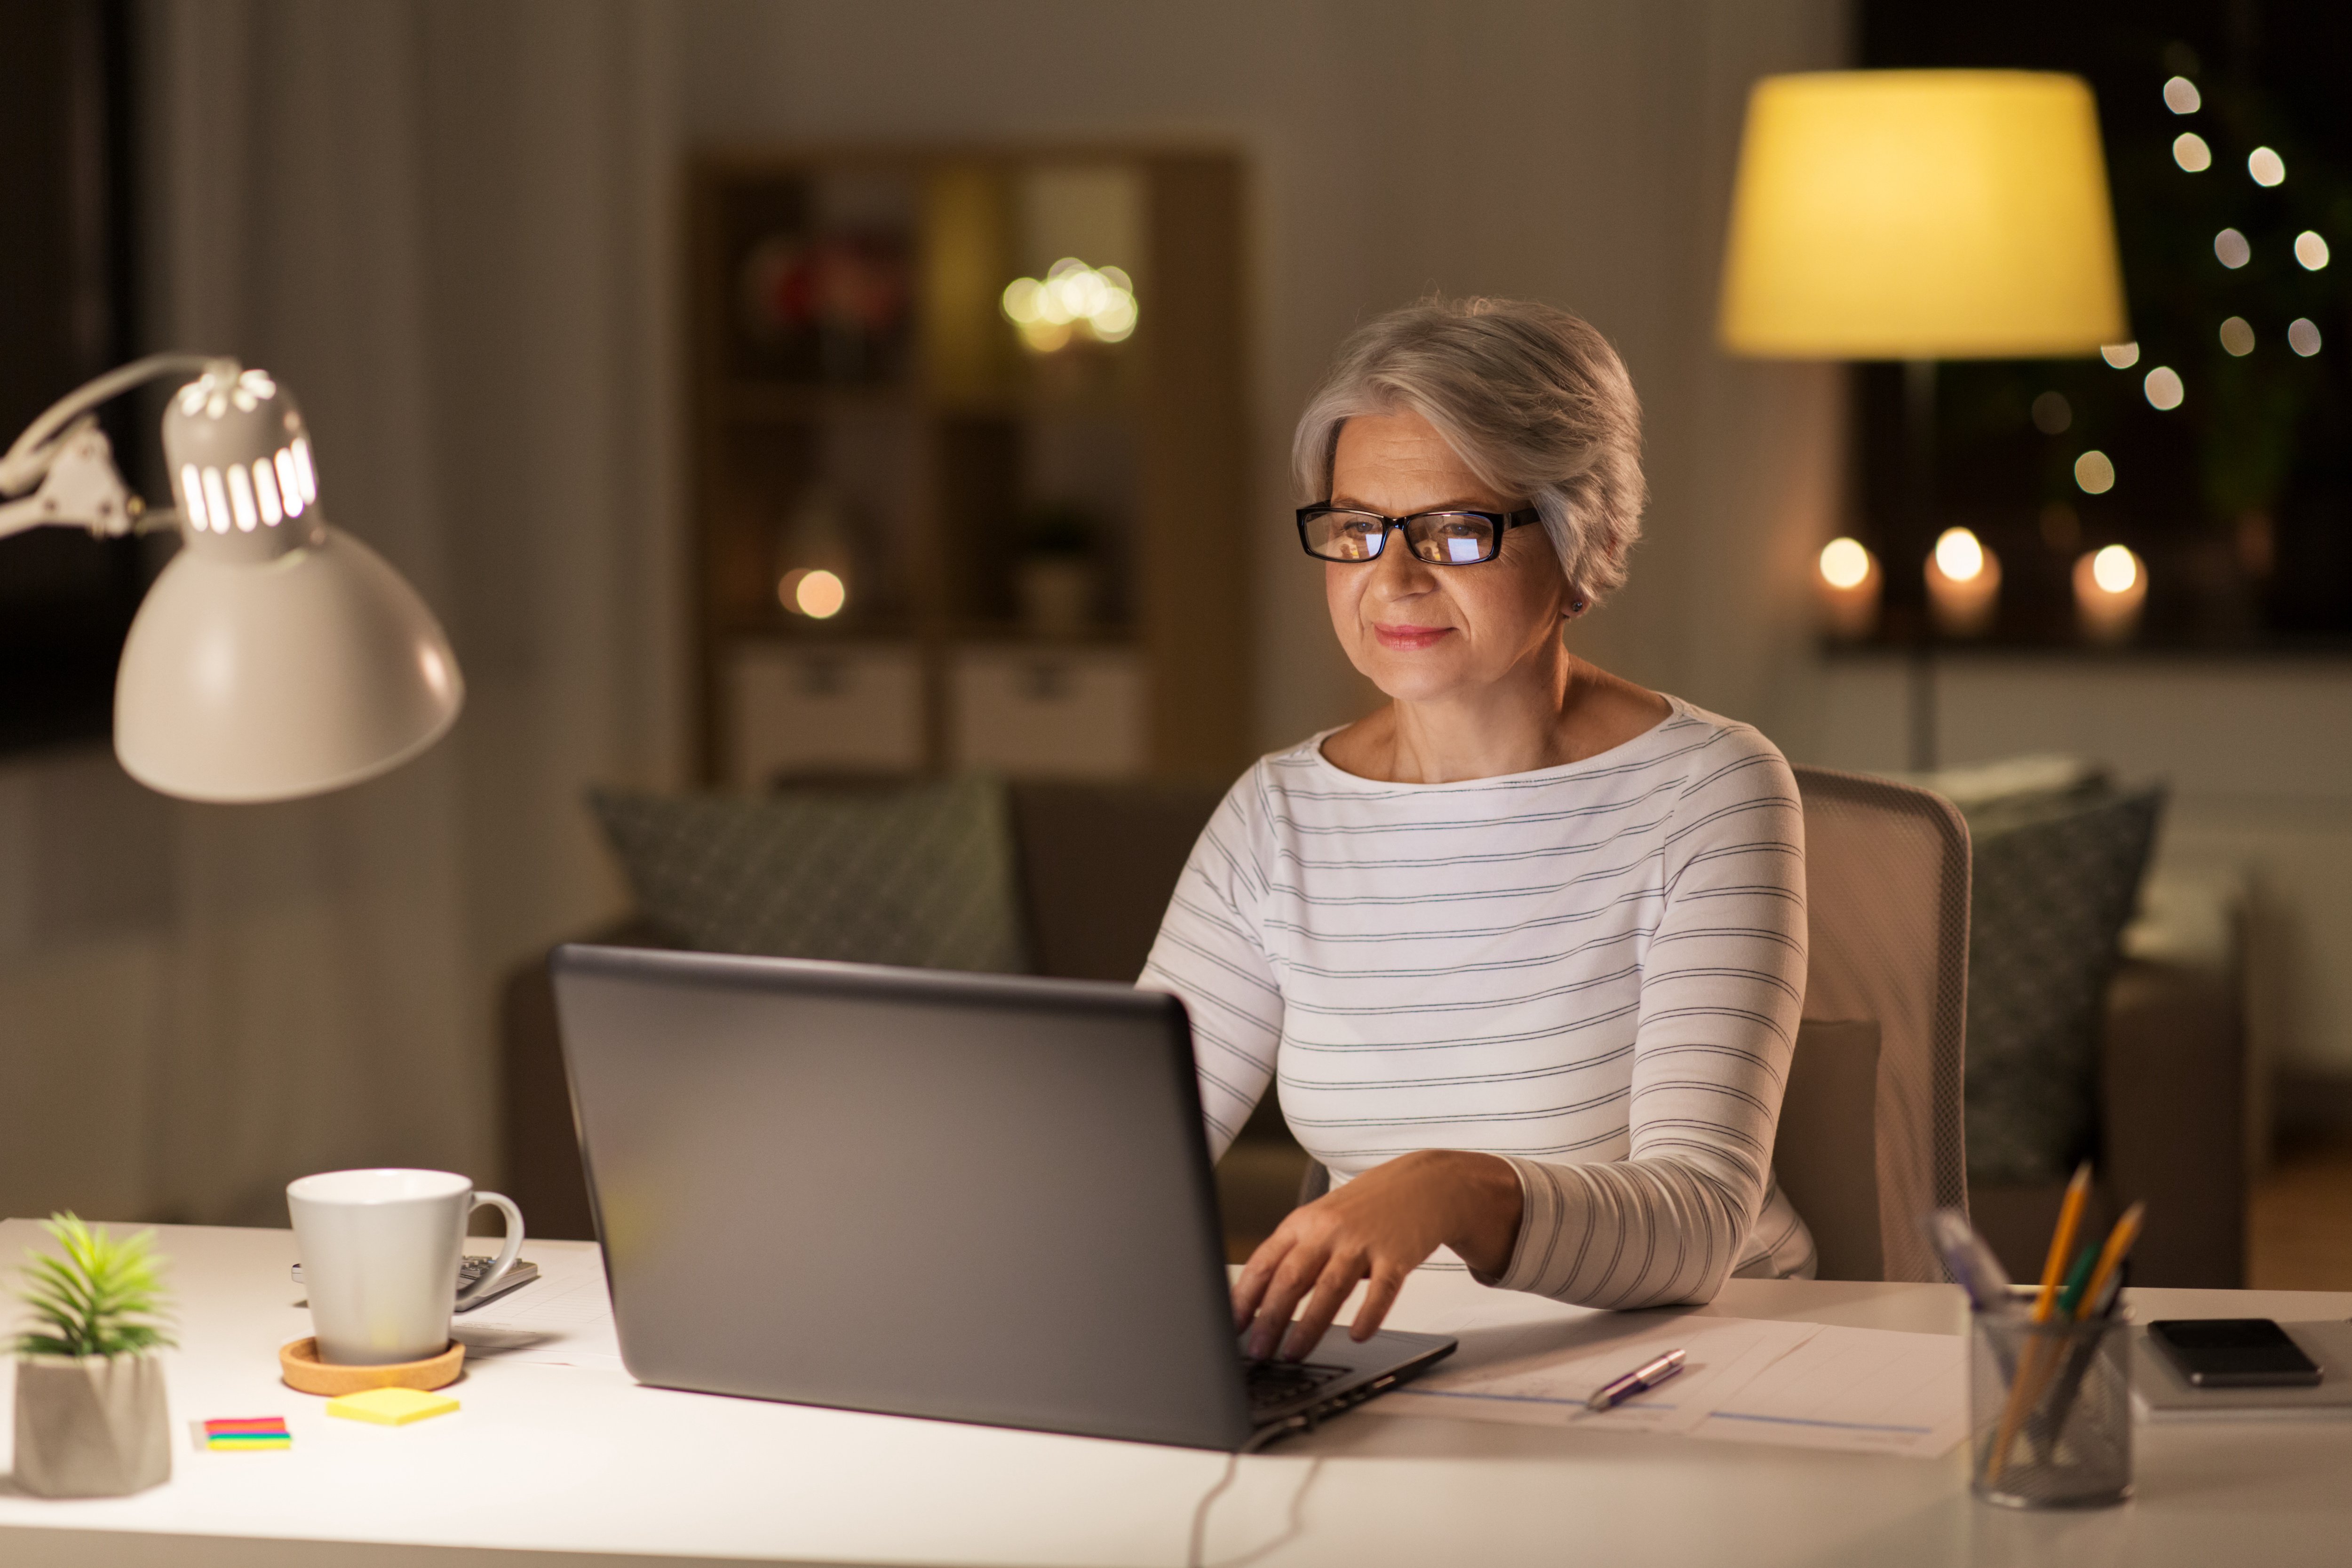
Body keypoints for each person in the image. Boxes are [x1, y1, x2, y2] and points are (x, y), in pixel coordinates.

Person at [1141, 297, 1812, 1364]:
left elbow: (1697, 1225)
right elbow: (1126, 1151)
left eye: (1456, 528)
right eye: (1357, 528)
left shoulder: (1709, 789)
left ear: (1580, 539)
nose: (1393, 579)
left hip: (1691, 1356)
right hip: (1396, 1352)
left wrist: (1449, 1187)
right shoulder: (1277, 813)